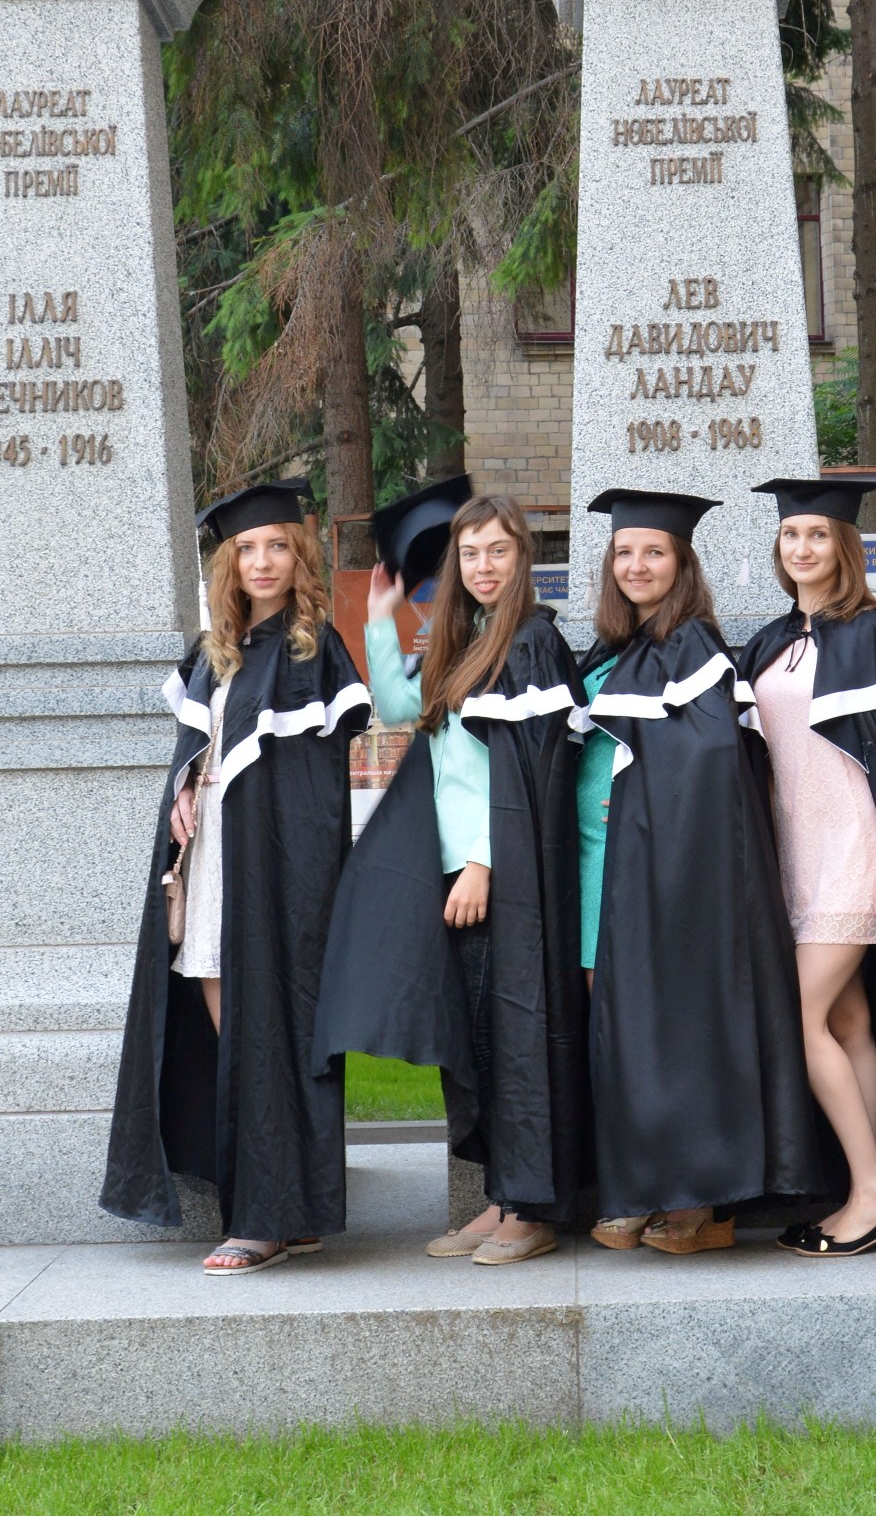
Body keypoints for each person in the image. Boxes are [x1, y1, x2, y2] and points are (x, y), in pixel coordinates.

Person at [314, 485, 586, 1265]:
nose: (483, 565)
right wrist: (379, 615)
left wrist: (483, 863)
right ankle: (500, 1195)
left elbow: (530, 772)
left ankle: (531, 1208)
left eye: (497, 550)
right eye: (469, 554)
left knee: (515, 1039)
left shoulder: (532, 643)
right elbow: (403, 709)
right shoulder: (461, 642)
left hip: (502, 877)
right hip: (449, 874)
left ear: (522, 556)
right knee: (475, 1041)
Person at [102, 481, 370, 1271]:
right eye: (247, 549)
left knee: (274, 1029)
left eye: (278, 546)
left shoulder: (310, 647)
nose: (262, 562)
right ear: (228, 564)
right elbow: (196, 751)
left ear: (299, 557)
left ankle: (265, 1219)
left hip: (277, 867)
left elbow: (315, 784)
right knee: (239, 1036)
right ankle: (285, 1207)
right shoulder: (213, 650)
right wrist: (185, 788)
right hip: (213, 859)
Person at [578, 487, 819, 1252]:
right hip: (617, 870)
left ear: (681, 564)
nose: (636, 565)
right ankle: (650, 1186)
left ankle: (701, 1204)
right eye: (624, 553)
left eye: (653, 552)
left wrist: (642, 802)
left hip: (676, 874)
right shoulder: (621, 650)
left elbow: (709, 763)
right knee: (632, 1031)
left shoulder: (691, 647)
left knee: (679, 1028)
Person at [735, 477, 876, 1258]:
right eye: (791, 536)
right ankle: (871, 1187)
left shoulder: (875, 633)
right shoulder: (771, 641)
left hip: (854, 848)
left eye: (817, 535)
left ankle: (873, 1193)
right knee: (847, 1022)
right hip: (795, 853)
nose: (802, 548)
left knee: (799, 1015)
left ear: (844, 546)